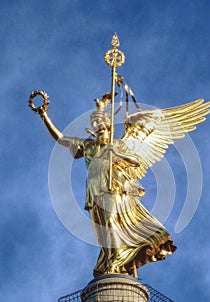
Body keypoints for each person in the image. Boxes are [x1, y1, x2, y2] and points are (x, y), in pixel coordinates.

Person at [36, 94, 176, 277]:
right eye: (95, 125)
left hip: (114, 187)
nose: (98, 128)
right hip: (94, 190)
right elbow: (61, 139)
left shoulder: (118, 145)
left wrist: (117, 155)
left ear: (109, 126)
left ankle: (116, 260)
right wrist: (44, 115)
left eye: (101, 124)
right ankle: (111, 259)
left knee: (111, 221)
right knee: (103, 230)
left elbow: (135, 161)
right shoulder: (88, 146)